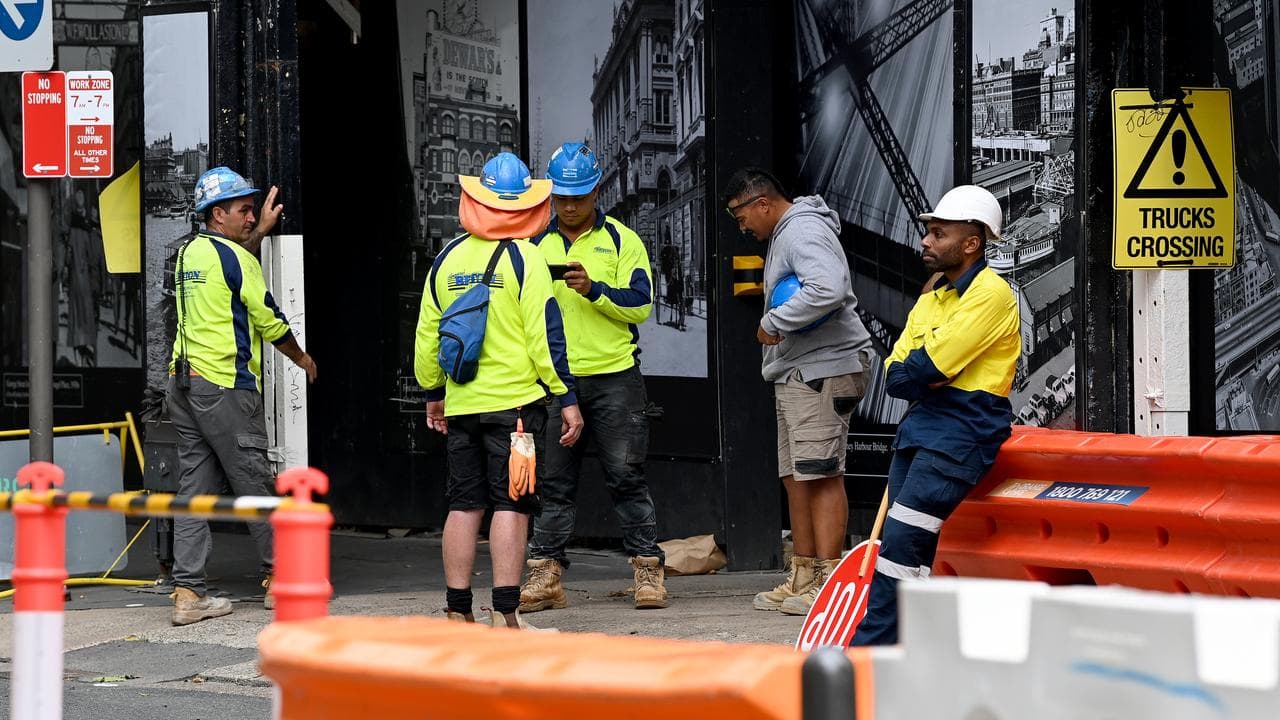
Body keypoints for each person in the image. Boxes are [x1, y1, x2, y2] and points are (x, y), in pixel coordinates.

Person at [415, 152, 585, 629]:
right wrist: (567, 398)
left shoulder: (446, 259)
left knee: (463, 504)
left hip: (463, 404)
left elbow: (427, 335)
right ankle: (507, 616)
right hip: (516, 410)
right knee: (513, 504)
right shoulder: (528, 260)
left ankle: (456, 611)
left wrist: (434, 394)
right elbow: (544, 341)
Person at [850, 185, 1020, 646]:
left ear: (972, 243)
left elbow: (930, 366)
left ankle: (868, 655)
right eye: (928, 231)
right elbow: (896, 374)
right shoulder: (932, 299)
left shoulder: (993, 295)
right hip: (922, 427)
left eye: (938, 233)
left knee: (903, 546)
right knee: (907, 552)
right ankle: (909, 656)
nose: (925, 241)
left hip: (961, 431)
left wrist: (924, 372)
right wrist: (923, 373)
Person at [516, 142, 668, 613]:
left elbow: (642, 304)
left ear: (596, 192)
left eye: (578, 196)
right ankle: (545, 576)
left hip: (616, 377)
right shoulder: (534, 246)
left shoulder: (623, 240)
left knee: (626, 475)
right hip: (555, 384)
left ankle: (648, 571)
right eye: (561, 196)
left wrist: (595, 289)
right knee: (554, 484)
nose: (569, 205)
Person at [167, 166, 317, 626]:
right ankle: (281, 579)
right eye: (244, 210)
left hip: (184, 385)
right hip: (226, 388)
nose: (252, 217)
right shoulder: (237, 260)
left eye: (253, 211)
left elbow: (230, 268)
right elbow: (269, 319)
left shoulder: (188, 253)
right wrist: (304, 359)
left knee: (194, 489)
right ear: (218, 214)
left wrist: (261, 234)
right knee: (255, 483)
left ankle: (188, 592)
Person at [723, 167, 875, 617]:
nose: (742, 226)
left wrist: (774, 321)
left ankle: (830, 582)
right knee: (796, 475)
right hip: (798, 372)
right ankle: (804, 573)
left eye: (741, 215)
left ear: (763, 203)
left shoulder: (802, 228)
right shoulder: (787, 233)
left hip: (823, 370)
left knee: (822, 473)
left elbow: (828, 287)